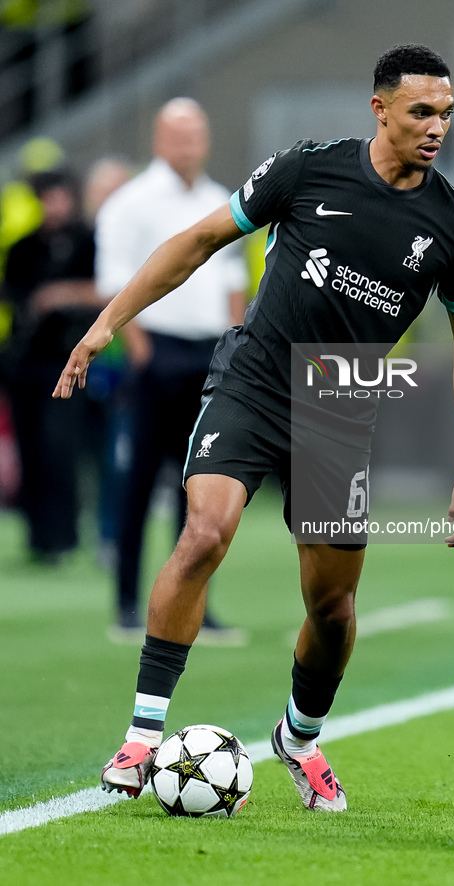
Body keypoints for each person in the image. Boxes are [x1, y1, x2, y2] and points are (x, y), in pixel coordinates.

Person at [54, 45, 454, 812]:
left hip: (337, 406)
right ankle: (140, 734)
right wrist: (104, 327)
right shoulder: (306, 170)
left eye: (446, 114)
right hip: (253, 381)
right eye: (421, 111)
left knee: (332, 609)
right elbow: (195, 245)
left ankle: (299, 738)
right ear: (380, 108)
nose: (435, 127)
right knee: (204, 533)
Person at [94, 99, 247, 642]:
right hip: (155, 350)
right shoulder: (131, 203)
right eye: (179, 136)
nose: (189, 146)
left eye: (196, 135)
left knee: (202, 485)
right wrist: (139, 351)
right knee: (137, 483)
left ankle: (196, 608)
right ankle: (128, 603)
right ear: (160, 139)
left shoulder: (217, 199)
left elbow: (233, 284)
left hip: (208, 354)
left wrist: (232, 352)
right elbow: (115, 283)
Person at [5, 168, 101, 561]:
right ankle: (38, 536)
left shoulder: (88, 242)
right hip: (25, 360)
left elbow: (106, 290)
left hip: (67, 360)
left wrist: (60, 296)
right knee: (29, 447)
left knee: (59, 446)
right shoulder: (23, 247)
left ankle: (66, 534)